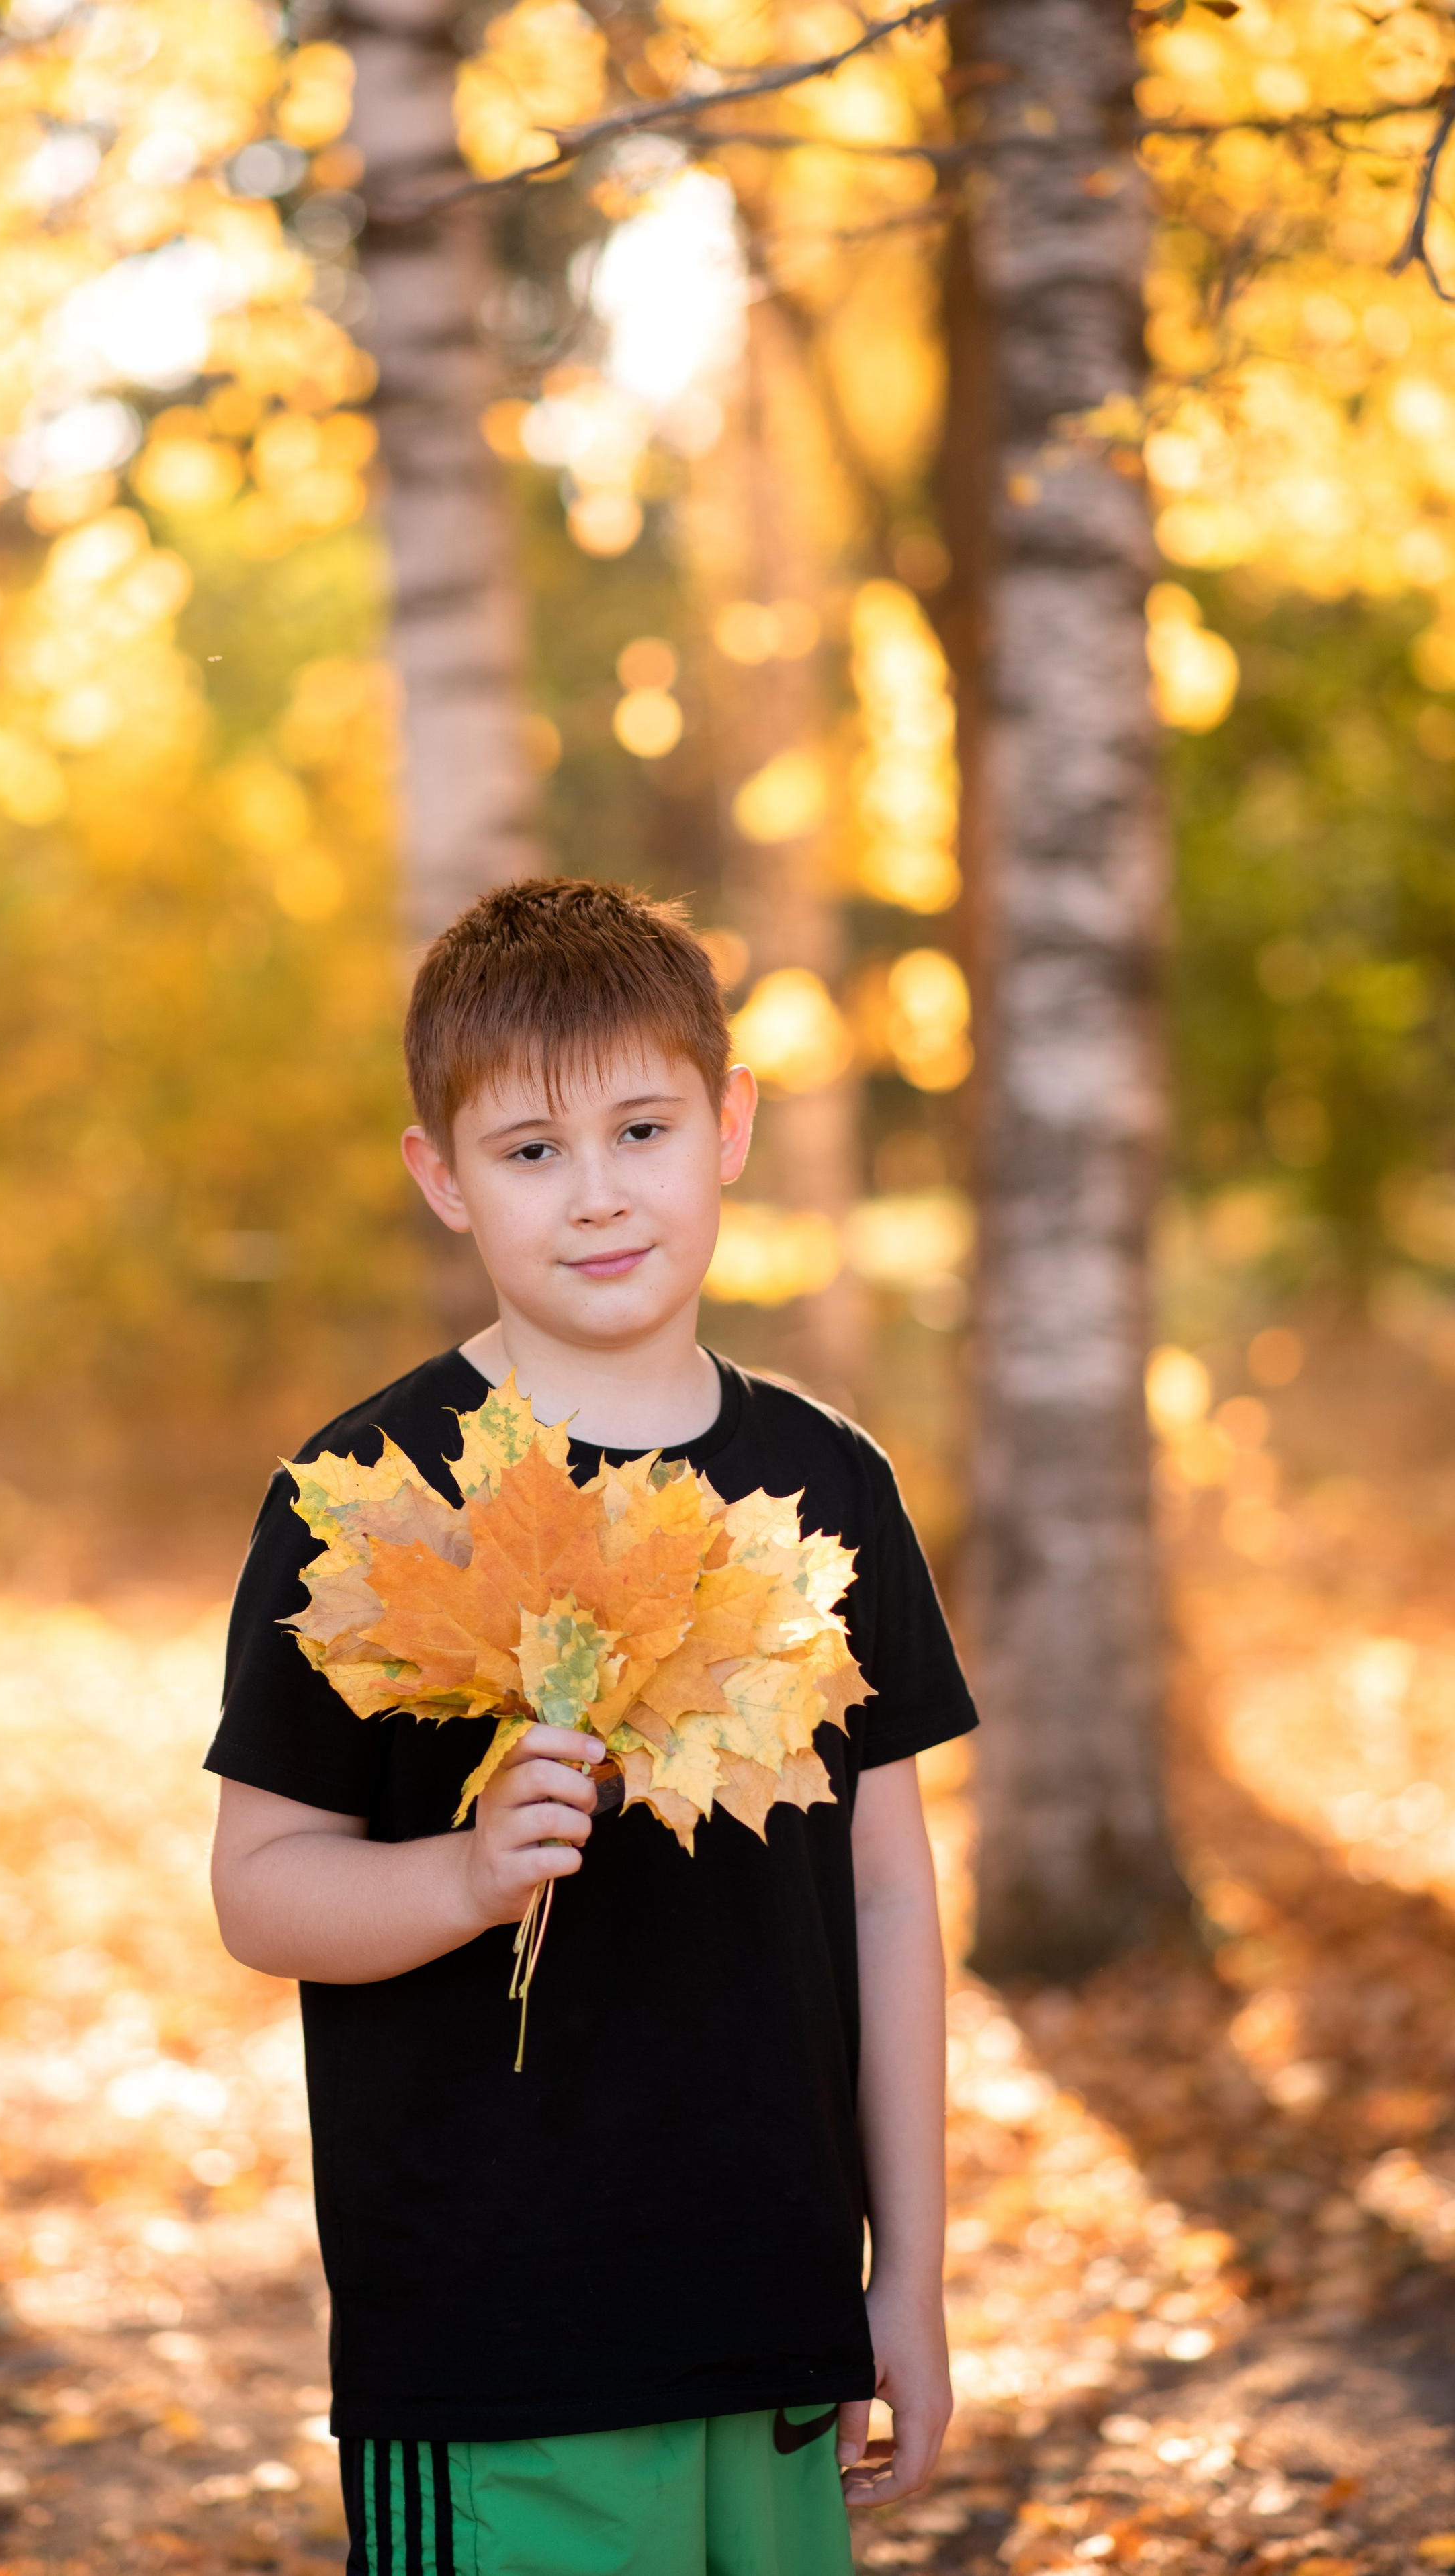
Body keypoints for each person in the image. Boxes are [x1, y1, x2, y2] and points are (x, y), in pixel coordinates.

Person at [206, 879, 977, 2576]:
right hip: (497, 2345)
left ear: (730, 1127)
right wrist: (466, 1879)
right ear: (440, 1176)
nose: (598, 1192)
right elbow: (261, 1885)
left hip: (771, 2321)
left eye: (641, 1125)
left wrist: (903, 2277)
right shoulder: (373, 1503)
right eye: (529, 1150)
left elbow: (884, 1900)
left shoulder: (825, 1486)